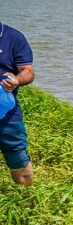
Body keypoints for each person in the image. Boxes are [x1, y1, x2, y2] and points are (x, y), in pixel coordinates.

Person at [0, 21, 35, 186]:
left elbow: (27, 71)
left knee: (20, 164)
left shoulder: (13, 37)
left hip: (7, 114)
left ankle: (26, 201)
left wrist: (16, 80)